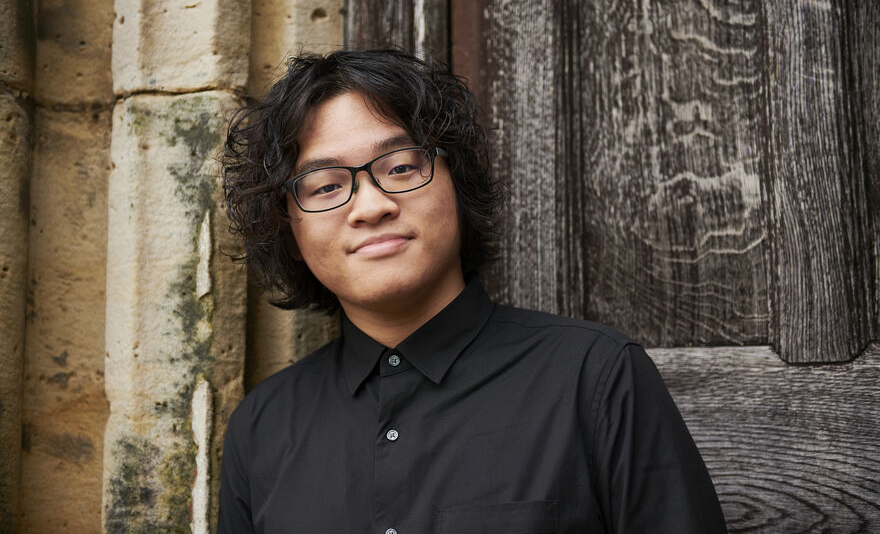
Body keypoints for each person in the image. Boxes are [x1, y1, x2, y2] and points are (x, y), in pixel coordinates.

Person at [218, 48, 727, 533]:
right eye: (326, 186)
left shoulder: (595, 376)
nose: (370, 206)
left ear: (456, 182)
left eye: (399, 167)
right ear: (289, 226)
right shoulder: (261, 428)